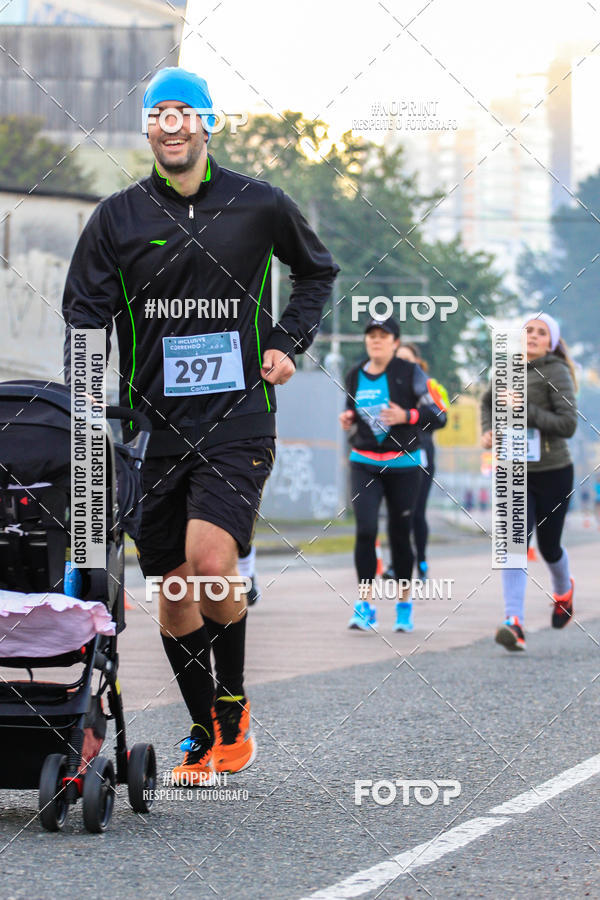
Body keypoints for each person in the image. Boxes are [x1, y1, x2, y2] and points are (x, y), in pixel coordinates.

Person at [62, 67, 339, 783]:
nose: (173, 124)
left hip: (237, 416)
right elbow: (84, 318)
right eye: (160, 113)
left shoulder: (258, 203)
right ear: (148, 128)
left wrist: (285, 342)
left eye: (186, 112)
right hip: (149, 429)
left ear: (207, 123)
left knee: (212, 560)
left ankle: (235, 706)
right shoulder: (117, 219)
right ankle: (201, 725)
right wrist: (86, 406)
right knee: (174, 589)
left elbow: (316, 272)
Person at [340, 317, 447, 632]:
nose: (376, 340)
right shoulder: (353, 375)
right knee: (366, 529)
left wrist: (407, 415)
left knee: (401, 533)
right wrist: (348, 418)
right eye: (371, 335)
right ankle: (365, 605)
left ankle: (403, 605)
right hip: (363, 462)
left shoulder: (411, 373)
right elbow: (354, 411)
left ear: (395, 342)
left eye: (383, 336)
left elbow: (439, 413)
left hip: (403, 464)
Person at [481, 312, 577, 651]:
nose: (533, 336)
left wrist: (524, 409)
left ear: (551, 342)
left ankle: (564, 591)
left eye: (541, 332)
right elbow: (487, 404)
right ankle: (514, 623)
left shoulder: (557, 372)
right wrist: (487, 432)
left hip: (552, 470)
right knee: (512, 547)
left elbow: (568, 425)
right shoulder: (505, 369)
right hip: (512, 468)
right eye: (528, 330)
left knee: (548, 547)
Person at [391, 343, 448, 578]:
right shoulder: (385, 385)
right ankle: (398, 563)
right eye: (398, 359)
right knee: (398, 513)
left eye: (407, 359)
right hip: (392, 454)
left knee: (415, 512)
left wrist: (412, 415)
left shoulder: (428, 386)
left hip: (421, 453)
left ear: (417, 363)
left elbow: (441, 416)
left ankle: (421, 561)